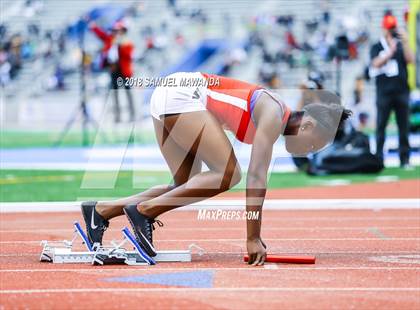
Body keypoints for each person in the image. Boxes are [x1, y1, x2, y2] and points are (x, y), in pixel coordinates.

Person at [81, 72, 351, 266]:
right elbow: (256, 176)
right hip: (182, 95)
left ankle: (100, 211)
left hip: (170, 94)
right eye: (314, 145)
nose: (309, 151)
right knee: (229, 173)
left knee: (184, 185)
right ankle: (144, 213)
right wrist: (253, 238)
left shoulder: (273, 111)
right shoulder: (273, 111)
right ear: (308, 126)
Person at [369, 14, 414, 167]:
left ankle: (405, 159)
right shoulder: (377, 46)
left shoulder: (401, 45)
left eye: (393, 28)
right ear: (384, 29)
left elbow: (411, 60)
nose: (392, 31)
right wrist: (390, 51)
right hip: (384, 94)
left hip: (401, 92)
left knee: (404, 126)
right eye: (389, 28)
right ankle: (379, 159)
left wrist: (406, 41)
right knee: (381, 126)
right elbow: (375, 63)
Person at [90, 21, 135, 123]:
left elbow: (128, 56)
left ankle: (132, 115)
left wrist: (121, 44)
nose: (117, 32)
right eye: (115, 30)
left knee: (128, 93)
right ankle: (117, 116)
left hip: (125, 72)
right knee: (115, 93)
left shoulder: (127, 42)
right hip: (114, 70)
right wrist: (94, 27)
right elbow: (102, 36)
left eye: (119, 30)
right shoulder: (111, 40)